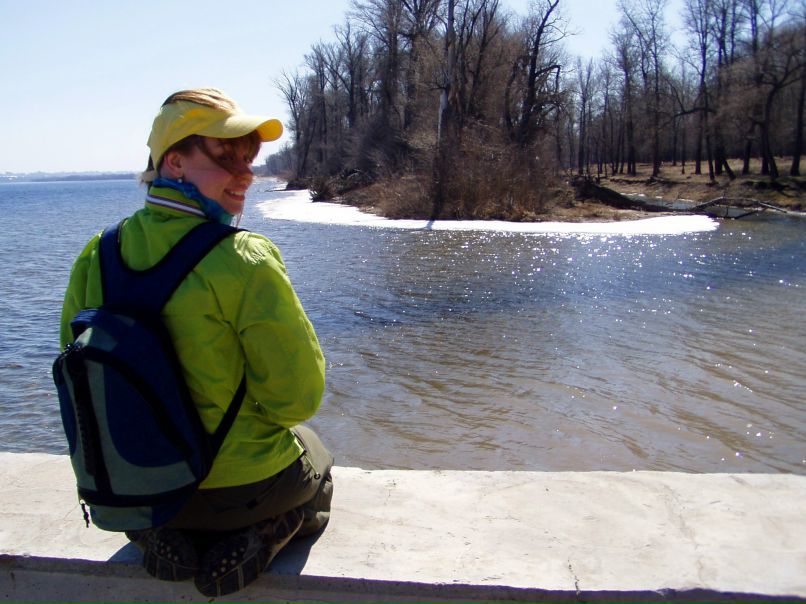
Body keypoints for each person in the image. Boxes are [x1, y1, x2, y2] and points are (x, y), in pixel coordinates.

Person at [59, 88, 333, 597]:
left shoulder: (97, 254)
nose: (246, 175)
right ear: (175, 161)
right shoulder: (246, 258)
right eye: (226, 158)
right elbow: (297, 399)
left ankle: (154, 528)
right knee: (318, 457)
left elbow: (79, 388)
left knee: (178, 496)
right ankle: (275, 527)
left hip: (137, 487)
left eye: (247, 159)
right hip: (241, 491)